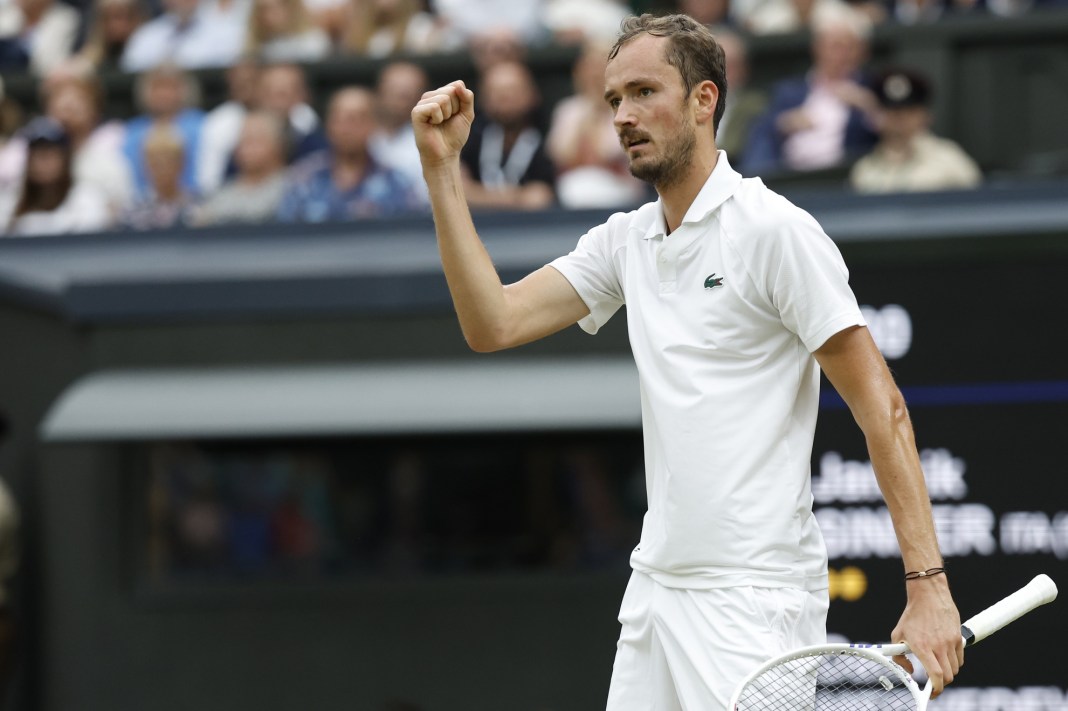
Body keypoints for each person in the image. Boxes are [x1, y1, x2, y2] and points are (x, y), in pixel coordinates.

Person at [412, 13, 963, 710]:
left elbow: (881, 407)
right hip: (656, 590)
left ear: (705, 100)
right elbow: (492, 322)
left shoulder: (774, 231)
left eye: (644, 92)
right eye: (614, 100)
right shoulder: (625, 241)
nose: (623, 116)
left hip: (753, 601)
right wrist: (441, 170)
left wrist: (929, 586)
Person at [741, 5, 879, 175]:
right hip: (791, 175)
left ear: (861, 52)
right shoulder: (791, 91)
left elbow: (887, 129)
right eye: (835, 47)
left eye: (849, 47)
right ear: (817, 48)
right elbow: (761, 127)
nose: (842, 55)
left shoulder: (870, 88)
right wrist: (785, 123)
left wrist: (867, 105)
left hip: (844, 176)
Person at [278, 87, 422, 222]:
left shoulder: (396, 182)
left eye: (355, 120)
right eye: (338, 120)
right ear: (328, 125)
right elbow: (283, 235)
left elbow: (412, 235)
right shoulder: (303, 178)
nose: (345, 129)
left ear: (374, 124)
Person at [547, 40, 646, 209]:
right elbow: (562, 155)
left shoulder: (630, 108)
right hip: (573, 191)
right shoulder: (568, 110)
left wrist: (603, 107)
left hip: (621, 190)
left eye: (601, 67)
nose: (595, 74)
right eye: (590, 67)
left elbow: (608, 153)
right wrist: (590, 110)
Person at [850, 68, 981, 194]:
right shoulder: (865, 169)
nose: (899, 119)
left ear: (926, 116)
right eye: (891, 112)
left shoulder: (950, 159)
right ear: (875, 117)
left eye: (909, 112)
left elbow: (978, 206)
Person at [459, 60, 556, 211]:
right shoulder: (468, 136)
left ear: (533, 94)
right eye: (496, 93)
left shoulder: (548, 134)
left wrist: (480, 196)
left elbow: (541, 197)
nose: (505, 99)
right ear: (483, 100)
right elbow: (459, 191)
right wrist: (518, 198)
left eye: (513, 91)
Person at [0, 117, 110, 236]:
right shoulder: (9, 202)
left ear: (65, 159)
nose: (42, 161)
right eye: (36, 154)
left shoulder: (86, 200)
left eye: (49, 153)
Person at [192, 110, 288, 225]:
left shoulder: (294, 189)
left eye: (254, 141)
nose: (245, 148)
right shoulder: (221, 194)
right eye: (242, 141)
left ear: (278, 145)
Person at [244, 0, 330, 62]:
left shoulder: (313, 42)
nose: (268, 16)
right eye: (262, 10)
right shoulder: (254, 47)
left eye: (276, 7)